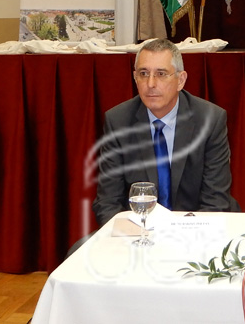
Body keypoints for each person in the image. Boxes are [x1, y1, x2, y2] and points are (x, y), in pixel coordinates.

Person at [91, 38, 235, 226]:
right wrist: (134, 235)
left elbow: (215, 202)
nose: (151, 83)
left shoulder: (210, 120)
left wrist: (178, 237)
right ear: (135, 78)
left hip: (195, 229)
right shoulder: (118, 121)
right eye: (143, 74)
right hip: (138, 231)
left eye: (161, 74)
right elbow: (108, 201)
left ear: (180, 80)